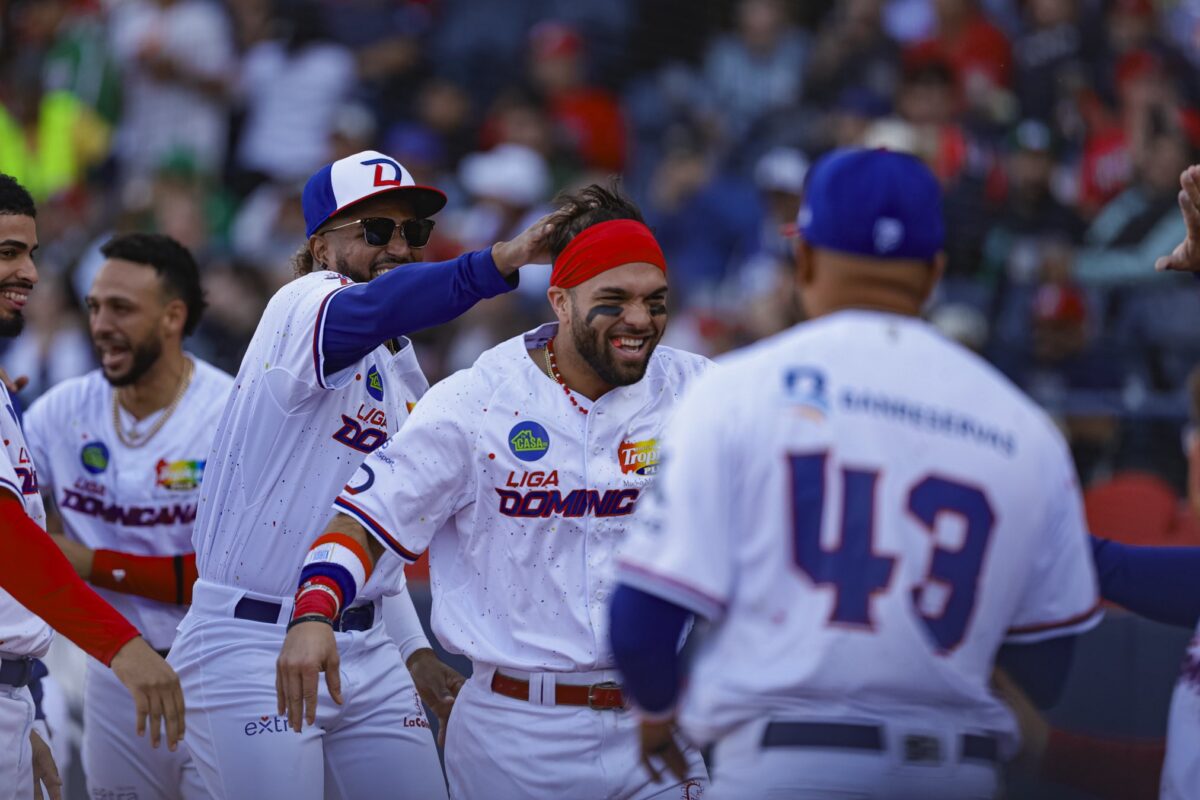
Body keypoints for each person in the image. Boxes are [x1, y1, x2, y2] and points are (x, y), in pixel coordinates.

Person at [609, 148, 1103, 799]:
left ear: (805, 258)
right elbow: (1046, 669)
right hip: (954, 771)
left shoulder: (736, 391)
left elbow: (641, 622)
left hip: (786, 764)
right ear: (934, 272)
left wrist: (656, 717)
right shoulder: (1024, 426)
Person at [278, 183, 711, 800]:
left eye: (655, 301)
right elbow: (366, 520)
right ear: (560, 301)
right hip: (516, 731)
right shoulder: (477, 398)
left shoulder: (704, 394)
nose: (639, 320)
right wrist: (315, 611)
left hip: (655, 718)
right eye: (613, 300)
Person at [167, 149, 551, 799]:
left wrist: (415, 651)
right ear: (320, 246)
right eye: (376, 230)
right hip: (251, 642)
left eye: (413, 231)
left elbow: (374, 526)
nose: (399, 245)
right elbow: (381, 306)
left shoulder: (398, 365)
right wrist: (502, 260)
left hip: (367, 644)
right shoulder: (304, 305)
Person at [23, 233, 230, 799]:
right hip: (114, 671)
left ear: (173, 316)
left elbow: (229, 573)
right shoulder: (57, 412)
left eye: (121, 308)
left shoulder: (231, 413)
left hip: (222, 667)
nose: (100, 325)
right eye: (93, 307)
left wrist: (90, 562)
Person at [0, 173, 183, 800]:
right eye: (7, 253)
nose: (28, 272)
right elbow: (6, 542)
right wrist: (123, 646)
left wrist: (19, 712)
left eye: (32, 254)